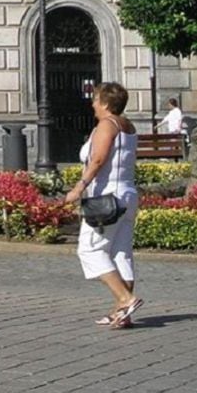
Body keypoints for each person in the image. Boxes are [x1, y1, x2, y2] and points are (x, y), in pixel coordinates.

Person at [64, 82, 142, 329]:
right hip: (127, 194)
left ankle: (125, 298)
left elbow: (98, 159)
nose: (93, 103)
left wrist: (79, 187)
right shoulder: (127, 125)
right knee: (120, 252)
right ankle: (122, 313)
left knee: (89, 249)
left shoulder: (107, 125)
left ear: (106, 103)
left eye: (96, 99)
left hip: (107, 198)